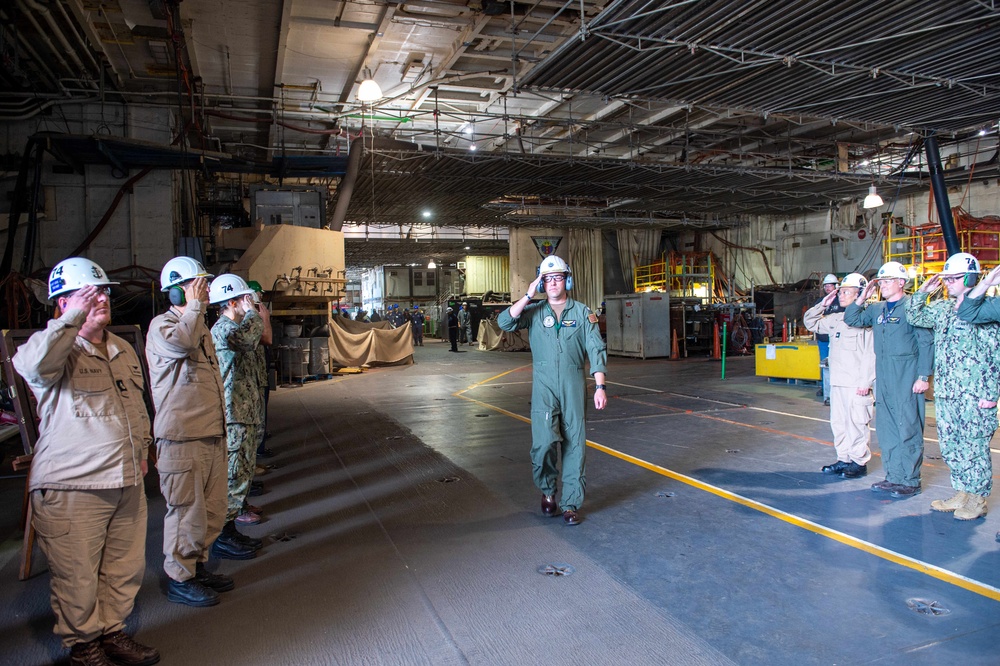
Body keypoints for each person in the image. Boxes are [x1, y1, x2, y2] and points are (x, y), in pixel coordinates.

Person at [13, 258, 160, 666]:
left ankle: (112, 633)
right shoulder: (54, 349)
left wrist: (144, 451)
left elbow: (137, 407)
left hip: (126, 478)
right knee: (77, 576)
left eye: (104, 291)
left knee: (123, 568)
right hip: (73, 486)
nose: (101, 298)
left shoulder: (121, 347)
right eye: (88, 293)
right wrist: (73, 317)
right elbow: (33, 367)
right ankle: (84, 646)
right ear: (62, 303)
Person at [146, 257, 254, 610]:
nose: (206, 290)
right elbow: (180, 344)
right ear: (177, 290)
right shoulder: (162, 326)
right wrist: (193, 305)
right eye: (198, 284)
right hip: (182, 438)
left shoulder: (200, 326)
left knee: (212, 508)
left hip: (211, 434)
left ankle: (197, 566)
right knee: (185, 512)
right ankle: (180, 578)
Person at [497, 255, 607, 525]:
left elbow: (596, 349)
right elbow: (505, 323)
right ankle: (548, 491)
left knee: (575, 446)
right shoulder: (534, 313)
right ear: (542, 282)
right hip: (544, 388)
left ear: (567, 280)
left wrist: (600, 386)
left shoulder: (583, 313)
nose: (553, 283)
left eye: (558, 277)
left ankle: (570, 504)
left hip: (573, 385)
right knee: (544, 444)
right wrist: (527, 295)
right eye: (547, 278)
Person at [906, 253, 1000, 520]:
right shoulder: (944, 308)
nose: (948, 282)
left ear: (971, 278)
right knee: (951, 444)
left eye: (953, 278)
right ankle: (962, 491)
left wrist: (991, 393)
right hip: (948, 391)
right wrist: (923, 291)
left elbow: (995, 354)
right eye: (946, 278)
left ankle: (977, 498)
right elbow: (914, 316)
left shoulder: (988, 309)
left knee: (975, 445)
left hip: (976, 393)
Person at [844, 261, 933, 498]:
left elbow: (926, 342)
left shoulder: (912, 307)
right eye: (880, 281)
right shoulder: (877, 309)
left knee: (908, 426)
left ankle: (910, 480)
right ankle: (894, 476)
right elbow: (852, 318)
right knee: (887, 429)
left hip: (906, 375)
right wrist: (863, 297)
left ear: (901, 283)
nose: (882, 285)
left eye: (887, 281)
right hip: (884, 377)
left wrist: (924, 376)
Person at [210, 275, 266, 536]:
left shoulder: (235, 328)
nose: (249, 304)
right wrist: (253, 314)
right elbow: (248, 341)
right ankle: (225, 530)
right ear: (232, 302)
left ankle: (237, 511)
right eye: (244, 300)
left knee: (243, 467)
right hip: (235, 412)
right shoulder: (223, 329)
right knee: (235, 472)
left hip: (244, 411)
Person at [804, 273, 875, 479]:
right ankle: (843, 458)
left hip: (856, 384)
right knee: (839, 423)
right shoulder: (836, 319)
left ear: (859, 294)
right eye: (840, 292)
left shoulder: (865, 321)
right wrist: (823, 305)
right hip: (838, 382)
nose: (840, 295)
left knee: (857, 422)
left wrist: (865, 382)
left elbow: (871, 353)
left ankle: (859, 462)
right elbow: (811, 322)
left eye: (846, 292)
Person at [815, 274, 842, 405]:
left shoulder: (841, 301)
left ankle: (838, 387)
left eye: (830, 285)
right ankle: (825, 387)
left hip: (837, 340)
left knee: (838, 363)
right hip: (823, 339)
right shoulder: (820, 302)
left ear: (836, 286)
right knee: (824, 364)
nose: (827, 288)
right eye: (825, 286)